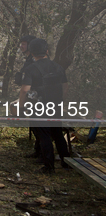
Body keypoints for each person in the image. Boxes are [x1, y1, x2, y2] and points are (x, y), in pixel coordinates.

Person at [18, 38, 70, 174]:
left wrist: (21, 107)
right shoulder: (58, 67)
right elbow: (65, 87)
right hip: (56, 105)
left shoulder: (31, 69)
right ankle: (66, 162)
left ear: (33, 52)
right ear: (47, 51)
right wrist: (60, 102)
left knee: (44, 135)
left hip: (39, 106)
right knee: (57, 133)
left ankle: (49, 166)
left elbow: (24, 90)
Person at [15, 35, 40, 158]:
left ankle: (43, 154)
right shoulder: (29, 59)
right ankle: (38, 150)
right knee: (35, 125)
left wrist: (21, 106)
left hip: (38, 98)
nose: (21, 46)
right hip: (33, 96)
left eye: (24, 44)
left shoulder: (34, 61)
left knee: (39, 127)